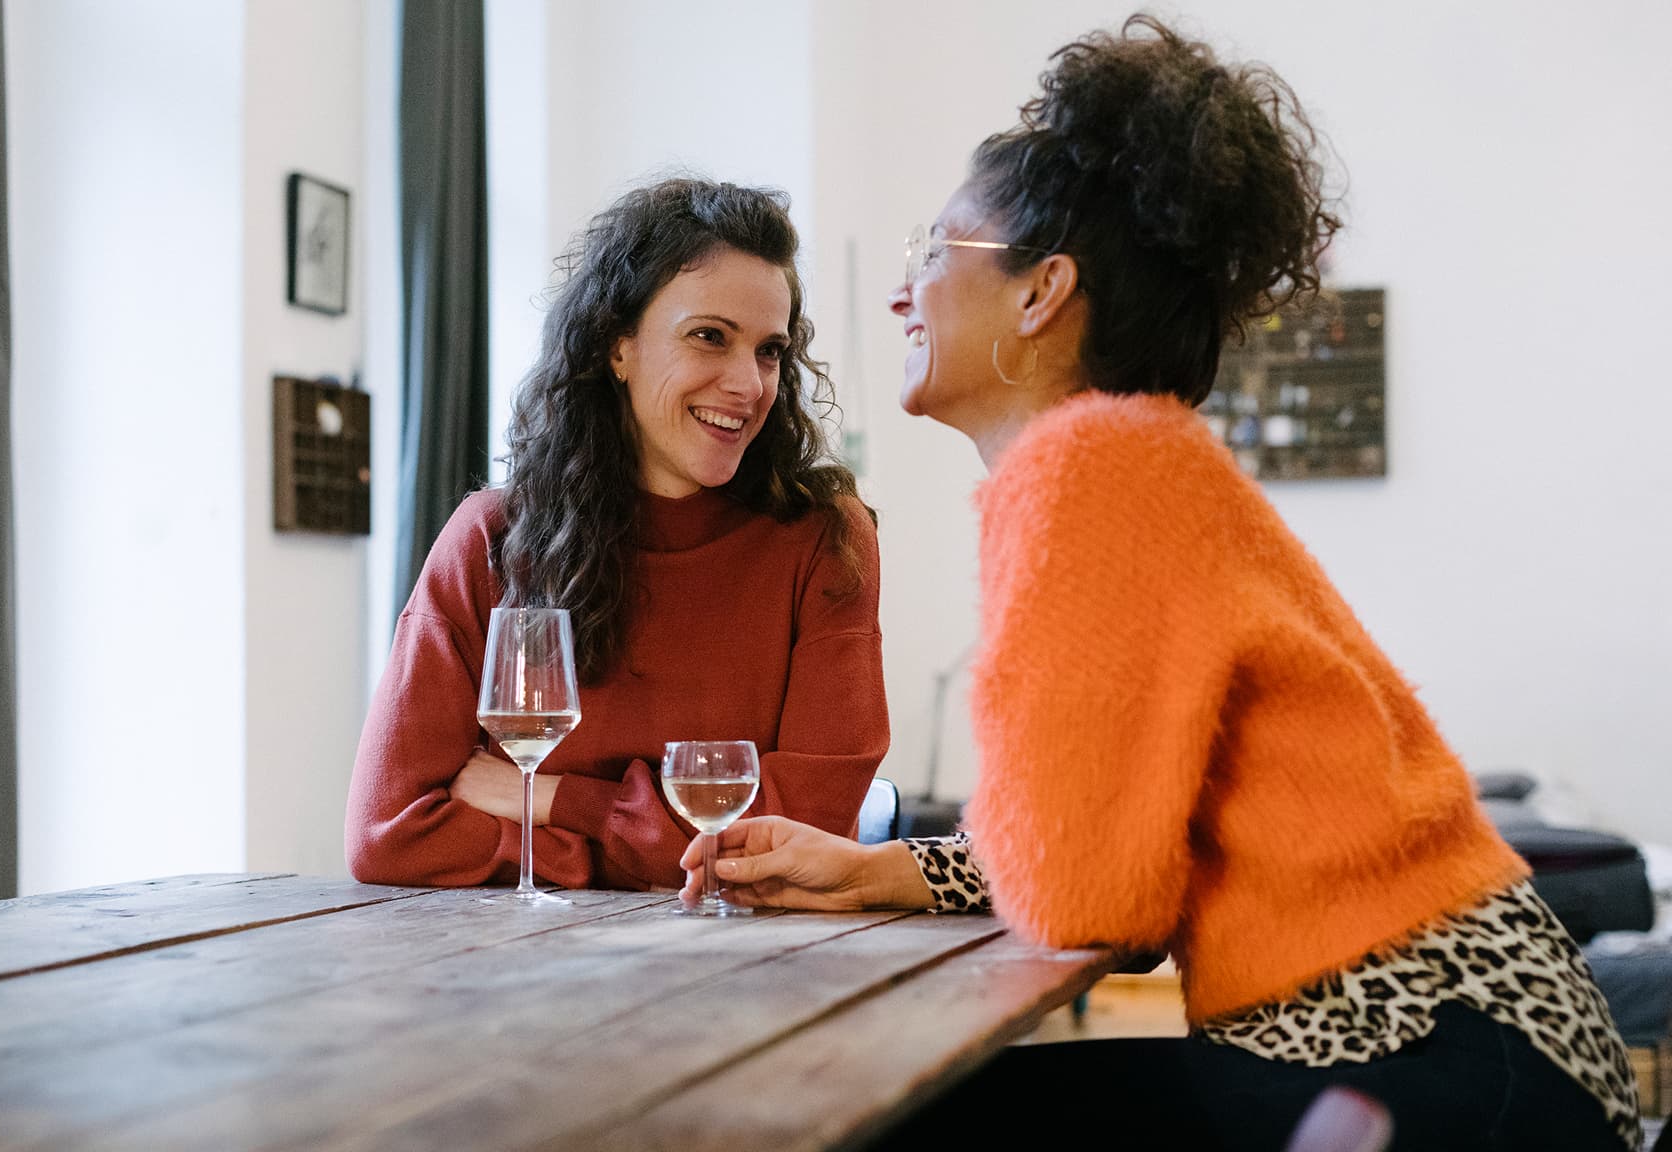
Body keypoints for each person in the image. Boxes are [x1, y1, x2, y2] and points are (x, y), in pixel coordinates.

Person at [681, 16, 1640, 1151]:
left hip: (1426, 1050)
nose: (904, 294)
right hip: (1468, 1041)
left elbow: (1094, 903)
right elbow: (1118, 856)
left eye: (933, 252)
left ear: (1044, 293)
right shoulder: (1132, 460)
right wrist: (881, 869)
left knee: (874, 1123)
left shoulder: (1090, 470)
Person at [347, 177, 889, 894]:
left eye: (768, 351)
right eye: (709, 338)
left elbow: (806, 836)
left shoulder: (825, 542)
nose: (750, 384)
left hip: (752, 975)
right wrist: (658, 843)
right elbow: (389, 835)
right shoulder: (491, 539)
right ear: (617, 346)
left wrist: (552, 800)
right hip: (519, 984)